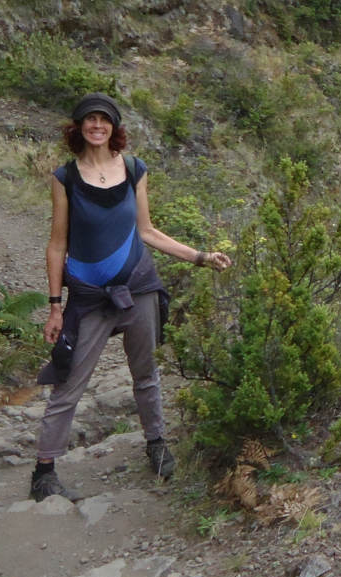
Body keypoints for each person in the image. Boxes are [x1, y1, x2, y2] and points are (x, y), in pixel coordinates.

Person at [30, 93, 232, 502]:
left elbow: (147, 231)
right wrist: (55, 306)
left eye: (104, 120)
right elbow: (57, 244)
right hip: (87, 297)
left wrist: (200, 257)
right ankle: (44, 470)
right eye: (90, 120)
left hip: (138, 286)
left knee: (146, 374)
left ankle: (156, 444)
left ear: (114, 128)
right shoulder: (64, 177)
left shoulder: (135, 169)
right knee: (68, 382)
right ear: (79, 127)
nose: (97, 126)